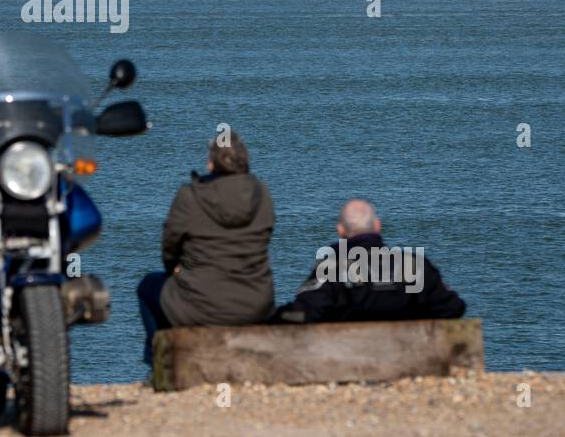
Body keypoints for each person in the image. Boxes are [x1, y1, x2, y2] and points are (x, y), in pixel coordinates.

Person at [137, 131, 275, 364]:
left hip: (199, 305)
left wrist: (174, 270)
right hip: (254, 303)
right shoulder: (262, 194)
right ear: (246, 159)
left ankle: (160, 362)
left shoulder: (189, 196)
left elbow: (170, 246)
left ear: (210, 163)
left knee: (148, 286)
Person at [274, 198, 465, 323]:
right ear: (378, 226)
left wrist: (270, 316)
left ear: (340, 230)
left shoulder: (332, 269)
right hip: (407, 361)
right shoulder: (414, 265)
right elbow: (453, 307)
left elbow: (304, 313)